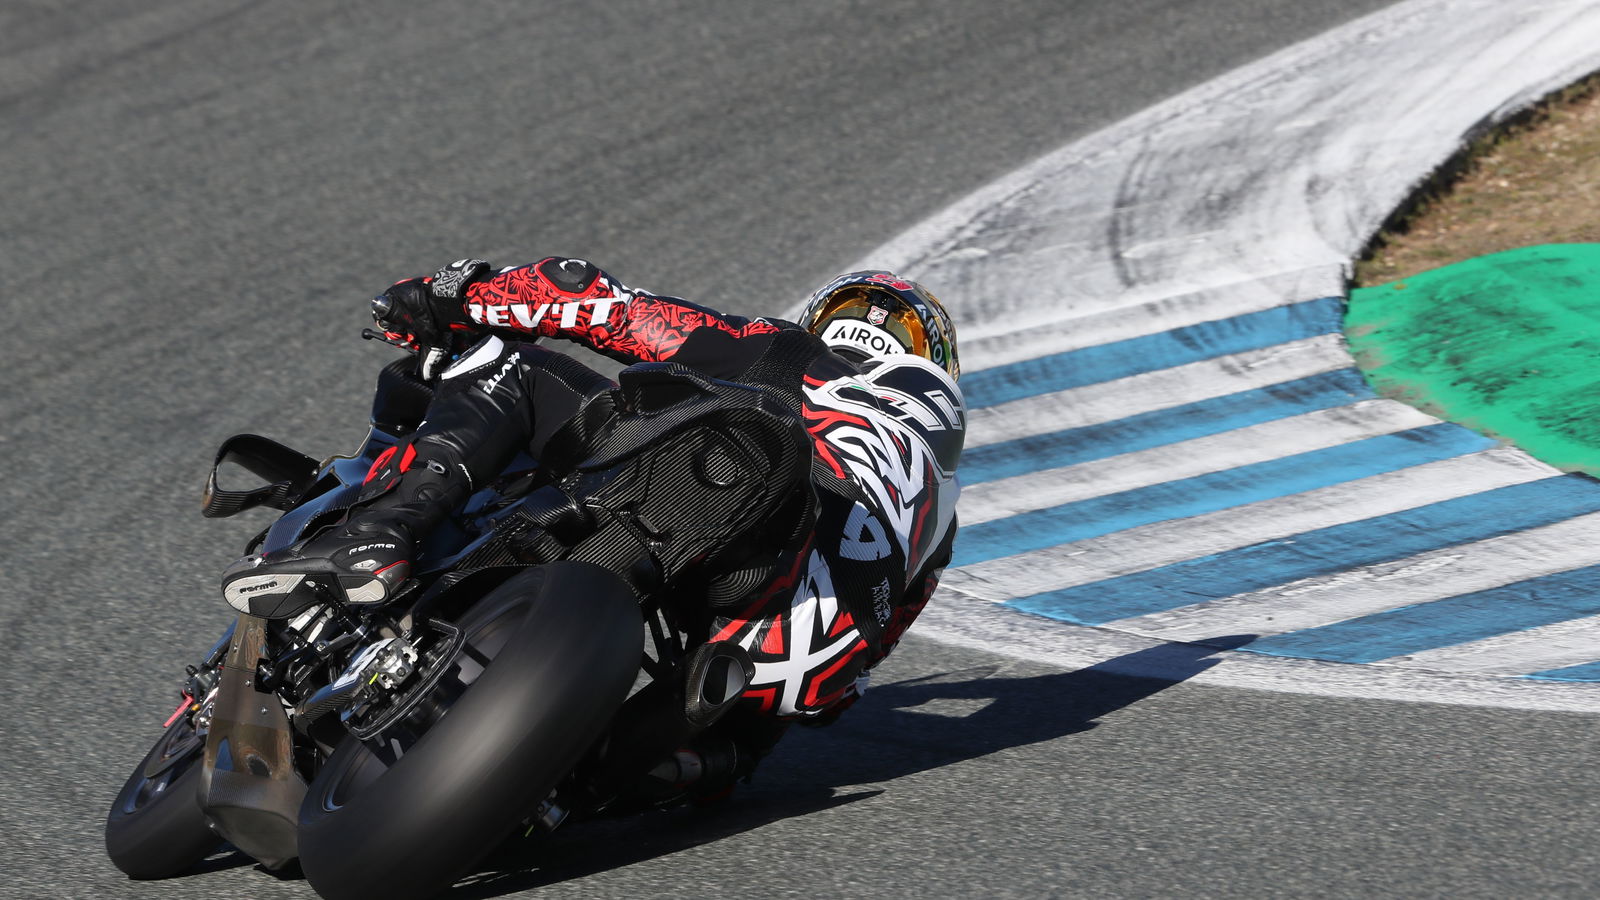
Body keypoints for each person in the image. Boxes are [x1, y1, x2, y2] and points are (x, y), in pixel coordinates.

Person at [223, 256, 964, 799]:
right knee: (743, 746)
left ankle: (381, 531)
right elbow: (843, 694)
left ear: (827, 324)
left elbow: (597, 303)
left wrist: (450, 295)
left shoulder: (792, 351)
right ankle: (630, 774)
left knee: (509, 366)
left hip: (703, 478)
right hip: (775, 636)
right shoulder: (939, 519)